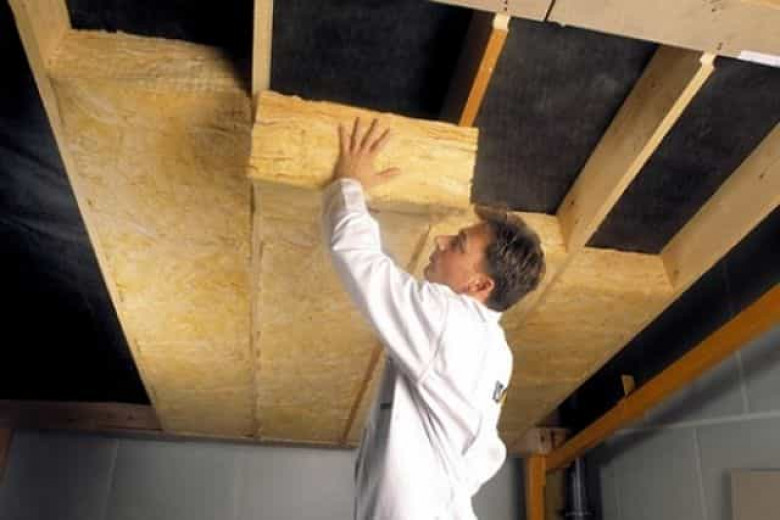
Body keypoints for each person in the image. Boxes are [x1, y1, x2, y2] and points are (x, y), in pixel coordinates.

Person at [322, 118, 546, 519]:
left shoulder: (452, 324)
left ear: (480, 285)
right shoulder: (492, 350)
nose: (441, 241)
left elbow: (359, 260)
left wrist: (349, 185)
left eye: (458, 244)